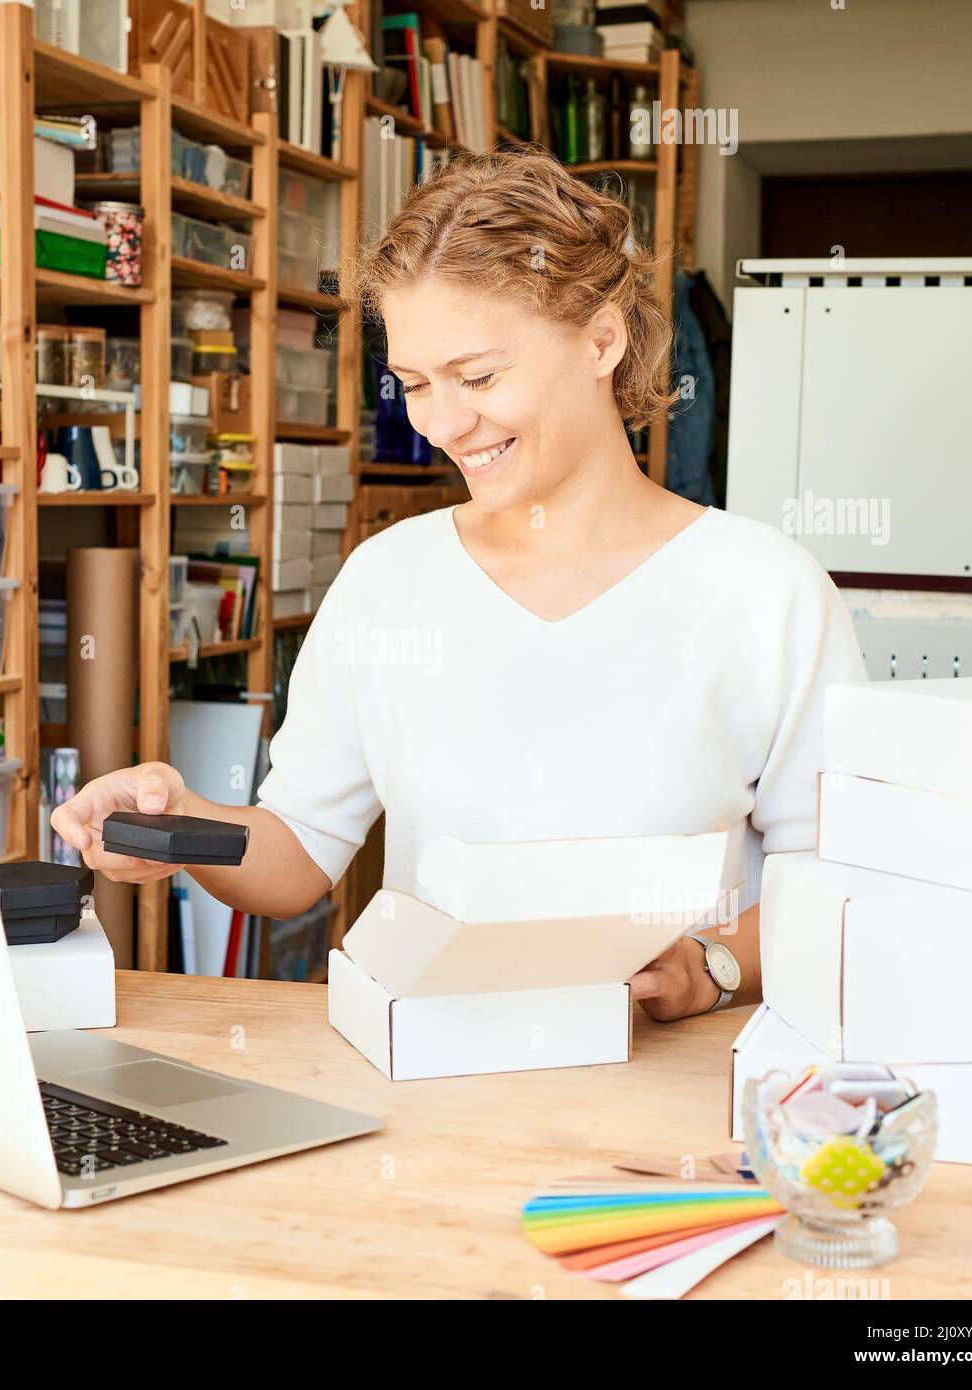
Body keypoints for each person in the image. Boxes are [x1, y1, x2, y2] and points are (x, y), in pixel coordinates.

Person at [52, 147, 867, 1021]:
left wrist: (712, 965)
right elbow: (297, 857)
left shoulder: (764, 591)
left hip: (672, 1110)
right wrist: (181, 822)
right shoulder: (387, 580)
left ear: (602, 338)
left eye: (478, 377)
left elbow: (840, 884)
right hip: (430, 1084)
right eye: (412, 384)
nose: (443, 422)